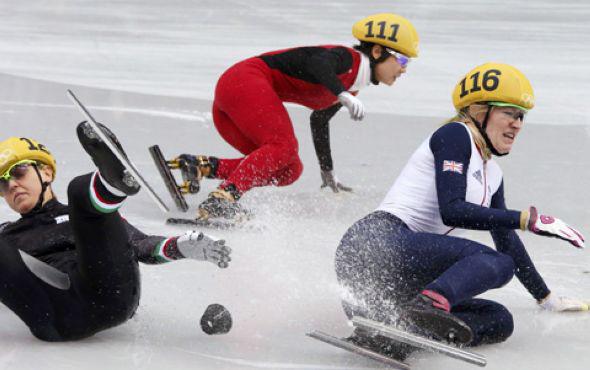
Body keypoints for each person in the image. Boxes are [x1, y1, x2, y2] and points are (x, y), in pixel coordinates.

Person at [334, 63, 587, 358]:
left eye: (521, 116)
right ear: (480, 111)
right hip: (372, 247)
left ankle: (400, 331)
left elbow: (507, 241)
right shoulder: (455, 135)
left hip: (400, 280)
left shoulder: (493, 175)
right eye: (508, 112)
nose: (517, 124)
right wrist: (525, 219)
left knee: (498, 320)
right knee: (495, 262)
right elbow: (452, 211)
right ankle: (427, 305)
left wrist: (546, 298)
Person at [170, 13, 419, 221]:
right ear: (377, 51)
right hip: (242, 83)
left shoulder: (352, 85)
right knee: (284, 146)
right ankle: (222, 199)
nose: (405, 69)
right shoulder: (346, 59)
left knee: (290, 169)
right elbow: (317, 64)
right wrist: (341, 93)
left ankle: (203, 166)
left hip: (236, 103)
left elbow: (318, 120)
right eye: (402, 59)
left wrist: (327, 170)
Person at [0, 121, 231, 341]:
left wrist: (179, 246)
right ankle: (111, 185)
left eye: (19, 172)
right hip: (54, 313)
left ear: (47, 173)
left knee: (80, 191)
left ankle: (112, 183)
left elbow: (138, 245)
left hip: (109, 293)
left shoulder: (82, 213)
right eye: (2, 183)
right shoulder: (8, 235)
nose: (11, 185)